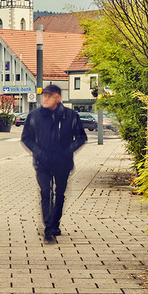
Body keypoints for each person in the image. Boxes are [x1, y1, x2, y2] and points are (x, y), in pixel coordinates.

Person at [21, 84, 87, 243]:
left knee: (59, 195)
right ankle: (48, 228)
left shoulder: (70, 116)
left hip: (62, 163)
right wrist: (38, 152)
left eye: (49, 96)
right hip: (42, 162)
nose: (45, 98)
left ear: (58, 98)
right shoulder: (34, 115)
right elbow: (26, 138)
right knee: (45, 192)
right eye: (44, 95)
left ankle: (55, 223)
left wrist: (67, 150)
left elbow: (81, 137)